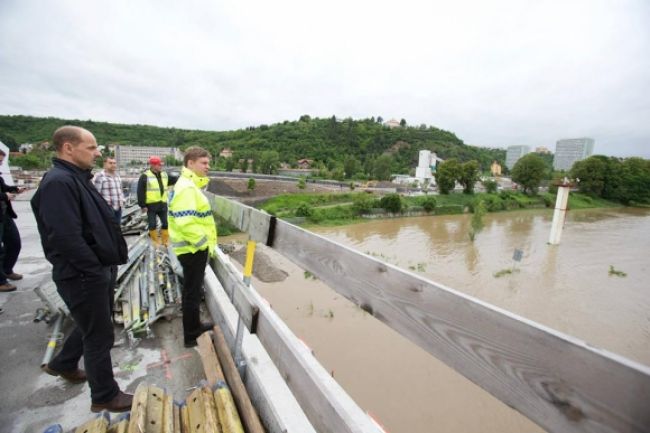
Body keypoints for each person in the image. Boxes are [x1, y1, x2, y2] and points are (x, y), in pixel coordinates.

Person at [31, 126, 132, 413]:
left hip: (92, 270)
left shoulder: (75, 178)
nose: (98, 153)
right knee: (100, 335)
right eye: (91, 147)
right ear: (68, 148)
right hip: (84, 274)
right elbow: (65, 238)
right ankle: (104, 395)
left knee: (91, 324)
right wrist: (93, 270)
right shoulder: (58, 183)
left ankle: (62, 363)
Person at [168, 146, 216, 347]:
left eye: (208, 163)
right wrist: (202, 244)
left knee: (192, 291)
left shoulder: (187, 185)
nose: (208, 167)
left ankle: (194, 326)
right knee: (192, 292)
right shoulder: (187, 188)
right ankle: (191, 335)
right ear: (190, 163)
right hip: (193, 249)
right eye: (204, 163)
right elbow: (186, 222)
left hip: (190, 248)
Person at [0, 149, 23, 292]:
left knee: (14, 243)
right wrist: (5, 196)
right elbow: (3, 194)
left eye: (2, 161)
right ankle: (1, 281)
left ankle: (7, 270)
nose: (1, 163)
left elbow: (5, 189)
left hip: (5, 215)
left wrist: (15, 189)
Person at [137, 156, 169, 246]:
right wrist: (142, 205)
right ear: (153, 165)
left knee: (165, 223)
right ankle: (155, 242)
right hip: (151, 205)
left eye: (161, 165)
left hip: (162, 204)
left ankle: (165, 241)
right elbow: (140, 191)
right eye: (159, 165)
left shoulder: (164, 175)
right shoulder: (145, 176)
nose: (161, 166)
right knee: (152, 224)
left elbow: (169, 183)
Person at [93, 157, 125, 224]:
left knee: (117, 228)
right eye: (110, 163)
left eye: (114, 163)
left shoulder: (117, 176)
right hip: (107, 208)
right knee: (108, 229)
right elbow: (95, 195)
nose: (113, 165)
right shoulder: (99, 176)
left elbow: (121, 191)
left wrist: (122, 201)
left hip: (119, 207)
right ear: (104, 164)